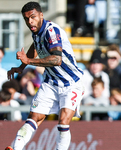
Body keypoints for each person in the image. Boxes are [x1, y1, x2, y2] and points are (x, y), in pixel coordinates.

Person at [6, 2, 84, 150]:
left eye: (33, 17)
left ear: (41, 15)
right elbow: (35, 47)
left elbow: (57, 59)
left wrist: (28, 61)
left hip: (71, 83)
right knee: (33, 118)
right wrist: (21, 67)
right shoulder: (36, 31)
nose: (30, 22)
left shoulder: (52, 31)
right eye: (26, 19)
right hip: (50, 83)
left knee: (63, 122)